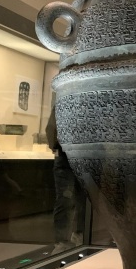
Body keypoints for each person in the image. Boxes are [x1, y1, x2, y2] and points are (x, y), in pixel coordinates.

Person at [46, 104, 85, 253]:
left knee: (79, 199)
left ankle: (74, 236)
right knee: (68, 199)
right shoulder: (65, 102)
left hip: (73, 155)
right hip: (68, 155)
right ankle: (64, 240)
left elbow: (51, 129)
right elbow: (52, 128)